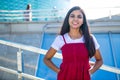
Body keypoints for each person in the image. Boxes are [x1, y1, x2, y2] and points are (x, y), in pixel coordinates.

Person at [44, 6, 103, 80]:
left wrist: (90, 72)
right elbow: (46, 59)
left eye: (79, 17)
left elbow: (99, 60)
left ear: (83, 21)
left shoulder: (90, 38)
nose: (75, 19)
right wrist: (59, 71)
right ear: (68, 19)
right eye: (72, 16)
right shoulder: (61, 39)